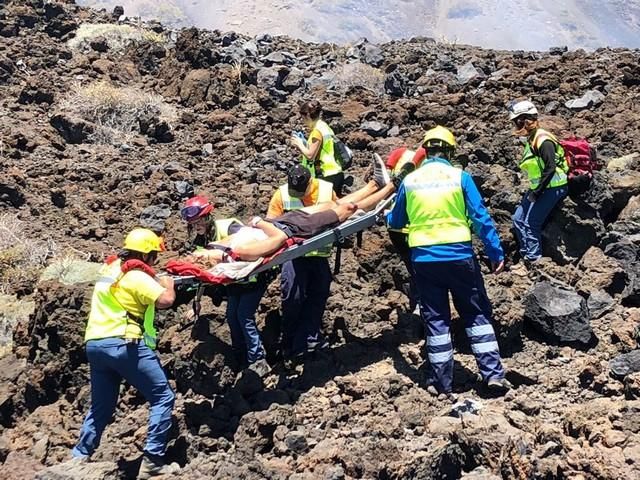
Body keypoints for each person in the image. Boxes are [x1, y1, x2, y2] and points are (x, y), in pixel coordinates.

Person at [386, 126, 511, 395]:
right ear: (450, 151)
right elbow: (481, 218)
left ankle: (441, 382)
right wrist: (495, 253)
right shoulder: (460, 177)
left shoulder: (410, 182)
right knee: (476, 313)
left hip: (425, 260)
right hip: (459, 257)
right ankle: (492, 375)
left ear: (426, 151)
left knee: (437, 321)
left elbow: (396, 222)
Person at [71, 228, 179, 479]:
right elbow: (164, 301)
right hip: (124, 344)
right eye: (155, 255)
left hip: (96, 345)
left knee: (101, 406)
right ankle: (153, 460)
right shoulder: (136, 276)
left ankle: (79, 456)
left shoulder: (110, 270)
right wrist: (169, 286)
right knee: (162, 396)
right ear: (148, 254)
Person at [191, 155, 393, 265]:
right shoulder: (239, 251)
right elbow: (278, 238)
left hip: (292, 221)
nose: (200, 253)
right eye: (200, 257)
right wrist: (259, 223)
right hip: (296, 231)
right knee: (348, 209)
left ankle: (375, 185)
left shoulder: (219, 247)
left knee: (334, 204)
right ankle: (390, 187)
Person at [180, 195, 271, 375]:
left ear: (208, 217)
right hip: (233, 282)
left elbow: (252, 240)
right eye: (193, 223)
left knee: (244, 316)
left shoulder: (228, 227)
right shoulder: (201, 242)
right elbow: (203, 272)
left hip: (252, 277)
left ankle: (258, 360)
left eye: (199, 221)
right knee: (232, 316)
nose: (196, 226)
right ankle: (241, 357)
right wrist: (197, 302)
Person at [266, 165, 337, 360]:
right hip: (294, 256)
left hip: (319, 255)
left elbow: (339, 212)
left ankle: (311, 338)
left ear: (310, 183)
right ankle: (289, 341)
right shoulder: (281, 194)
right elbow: (270, 223)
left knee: (318, 296)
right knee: (292, 298)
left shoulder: (325, 189)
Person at [508, 100, 569, 264]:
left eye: (516, 121)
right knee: (518, 219)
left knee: (531, 223)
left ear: (524, 120)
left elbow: (550, 167)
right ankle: (526, 255)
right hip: (540, 187)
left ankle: (534, 261)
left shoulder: (543, 139)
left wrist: (537, 192)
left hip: (552, 188)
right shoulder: (532, 137)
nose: (515, 125)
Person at [384, 147, 427, 314]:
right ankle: (419, 303)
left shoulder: (399, 153)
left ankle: (417, 302)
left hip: (397, 225)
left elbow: (384, 180)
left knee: (413, 266)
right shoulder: (431, 167)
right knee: (419, 268)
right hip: (415, 227)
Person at [290, 100, 344, 196]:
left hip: (325, 174)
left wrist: (299, 144)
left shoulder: (317, 131)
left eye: (303, 118)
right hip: (335, 172)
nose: (303, 121)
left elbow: (310, 155)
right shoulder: (324, 127)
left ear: (307, 116)